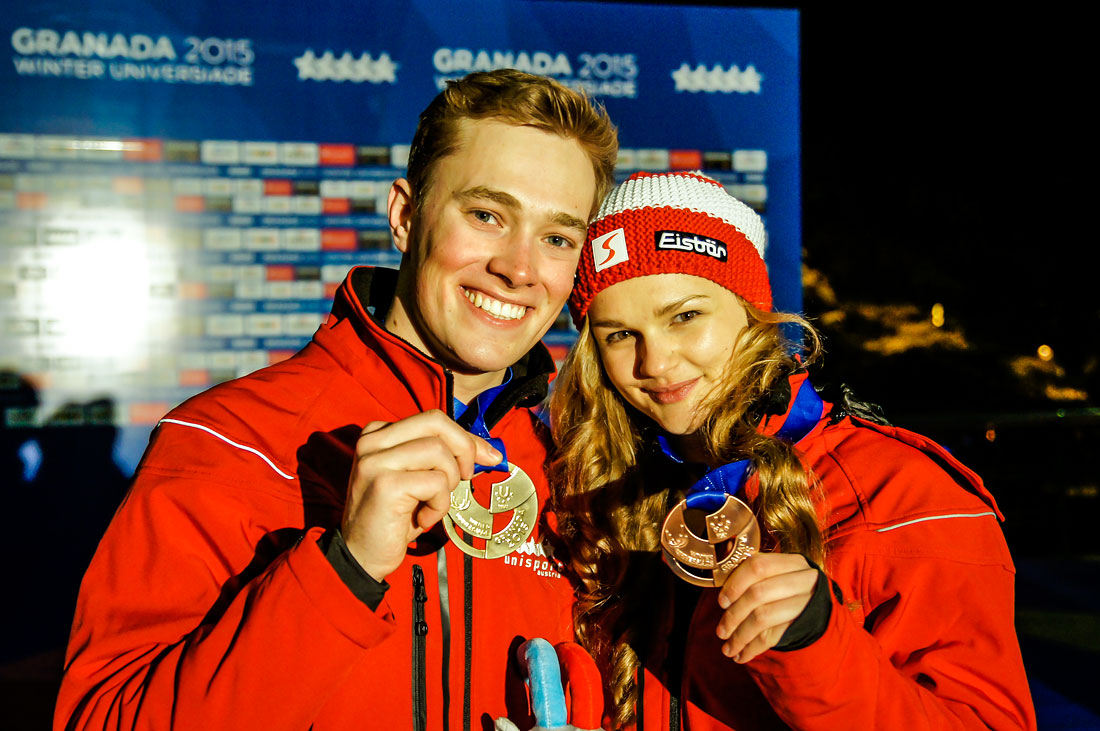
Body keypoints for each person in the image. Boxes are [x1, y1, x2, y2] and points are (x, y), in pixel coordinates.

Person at [54, 69, 618, 731]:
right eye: (487, 214)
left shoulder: (572, 471)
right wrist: (343, 569)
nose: (520, 268)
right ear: (406, 216)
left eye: (557, 237)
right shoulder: (228, 440)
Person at [548, 171, 1036, 730]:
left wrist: (815, 647)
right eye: (619, 334)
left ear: (751, 308)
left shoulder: (902, 495)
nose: (654, 363)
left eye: (685, 316)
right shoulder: (601, 492)